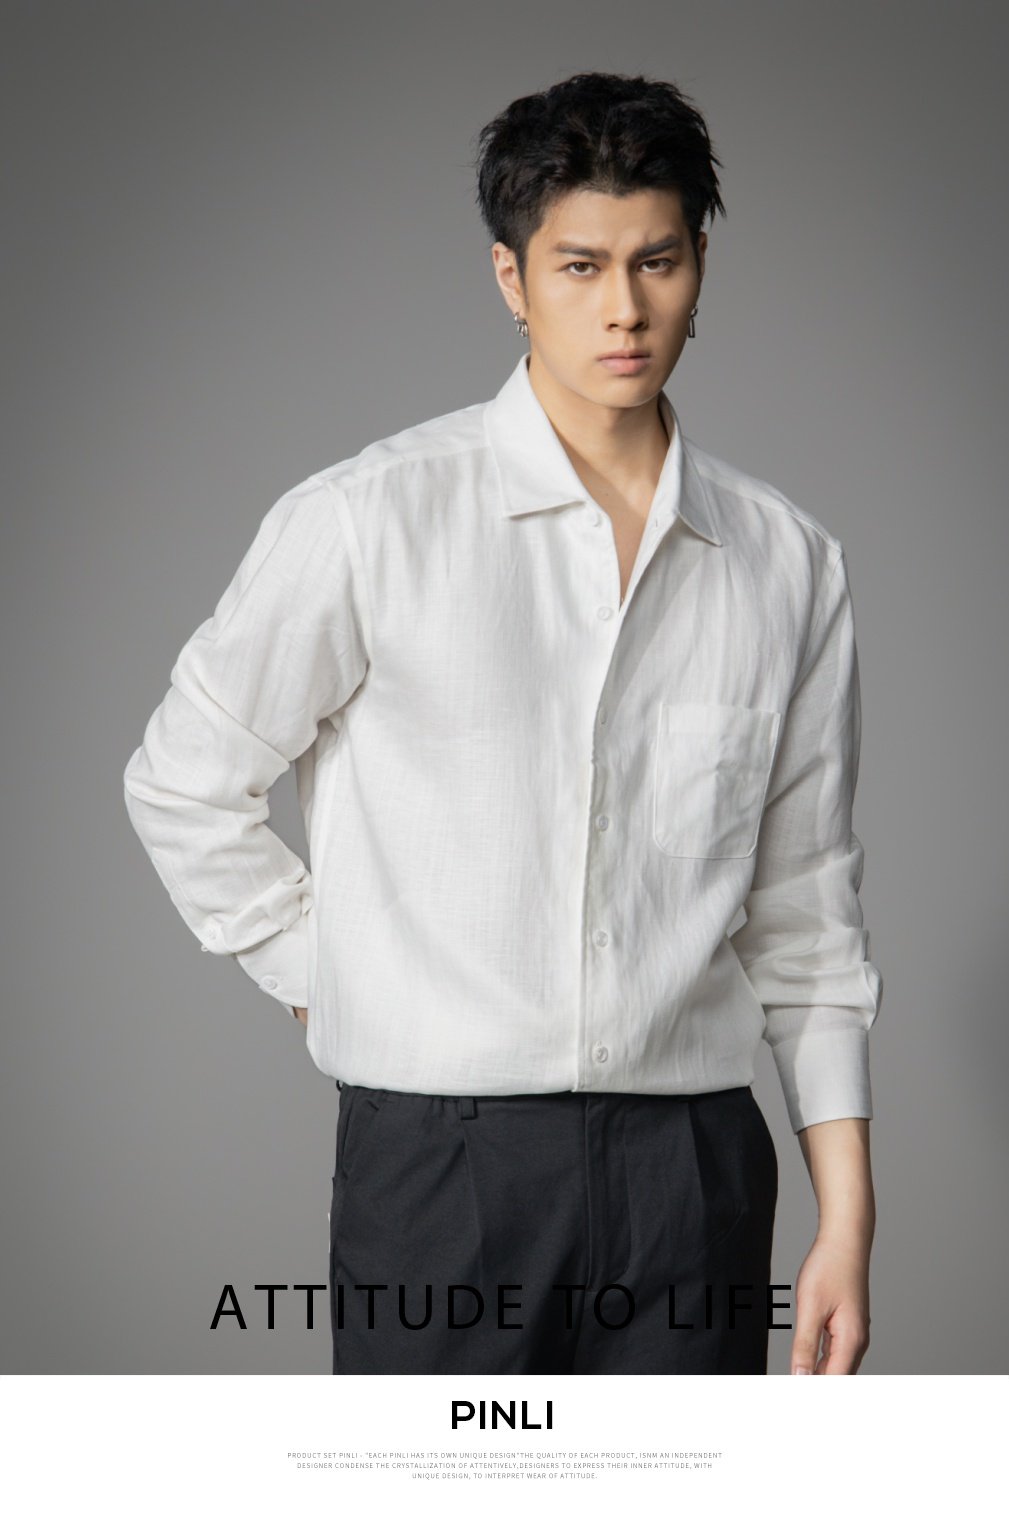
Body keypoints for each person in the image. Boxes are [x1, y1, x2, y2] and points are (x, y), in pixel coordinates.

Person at [123, 70, 882, 1376]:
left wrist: (847, 1220)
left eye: (656, 261)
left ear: (700, 263)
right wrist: (327, 976)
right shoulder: (370, 521)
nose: (623, 307)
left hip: (693, 1172)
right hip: (443, 1167)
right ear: (510, 277)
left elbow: (805, 911)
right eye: (579, 266)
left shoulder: (787, 565)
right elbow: (182, 783)